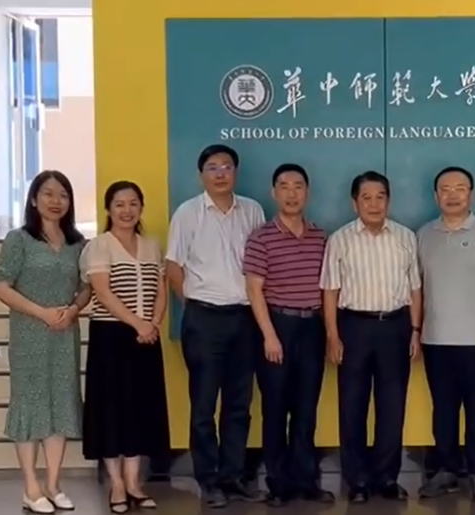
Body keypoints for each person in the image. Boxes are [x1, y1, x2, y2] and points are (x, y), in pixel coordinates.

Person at [165, 144, 266, 507]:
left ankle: (233, 477)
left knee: (239, 404)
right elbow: (173, 266)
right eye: (212, 167)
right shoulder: (188, 213)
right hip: (204, 318)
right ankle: (208, 481)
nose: (220, 173)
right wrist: (194, 304)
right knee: (204, 405)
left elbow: (260, 265)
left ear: (235, 172)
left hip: (244, 318)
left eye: (226, 166)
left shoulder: (252, 210)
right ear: (201, 175)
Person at [0, 170, 91, 513]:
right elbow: (1, 286)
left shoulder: (78, 244)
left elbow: (86, 287)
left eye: (63, 194)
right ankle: (31, 488)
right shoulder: (18, 239)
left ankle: (53, 484)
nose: (56, 201)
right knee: (30, 404)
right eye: (48, 193)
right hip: (29, 333)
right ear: (34, 199)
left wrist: (73, 309)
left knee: (61, 402)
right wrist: (42, 313)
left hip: (64, 334)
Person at [320, 171, 421, 503]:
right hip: (354, 327)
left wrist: (415, 330)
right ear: (355, 203)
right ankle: (358, 481)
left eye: (380, 197)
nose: (374, 204)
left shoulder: (405, 237)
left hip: (396, 326)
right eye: (366, 197)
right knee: (352, 405)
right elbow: (330, 291)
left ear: (388, 200)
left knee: (392, 406)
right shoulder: (340, 239)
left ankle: (387, 478)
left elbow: (415, 289)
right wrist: (333, 335)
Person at [416, 167, 475, 502]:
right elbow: (417, 289)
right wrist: (416, 331)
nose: (452, 194)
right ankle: (445, 471)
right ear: (435, 196)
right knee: (443, 410)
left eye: (460, 188)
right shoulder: (424, 235)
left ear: (471, 194)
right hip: (435, 341)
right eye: (445, 189)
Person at [243, 164, 333, 506]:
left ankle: (307, 481)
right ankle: (278, 484)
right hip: (277, 326)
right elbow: (254, 290)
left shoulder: (320, 237)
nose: (291, 193)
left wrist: (330, 333)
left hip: (312, 328)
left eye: (298, 186)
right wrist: (269, 335)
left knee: (306, 409)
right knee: (276, 408)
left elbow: (328, 289)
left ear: (307, 192)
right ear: (274, 193)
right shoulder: (261, 237)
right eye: (284, 186)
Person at [80, 181, 169, 513]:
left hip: (146, 338)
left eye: (133, 203)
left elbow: (161, 289)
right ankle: (116, 485)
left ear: (141, 207)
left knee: (139, 410)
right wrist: (137, 323)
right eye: (119, 204)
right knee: (111, 410)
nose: (127, 210)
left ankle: (134, 483)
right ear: (108, 209)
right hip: (111, 337)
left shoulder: (152, 246)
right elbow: (103, 293)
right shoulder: (99, 245)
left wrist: (153, 323)